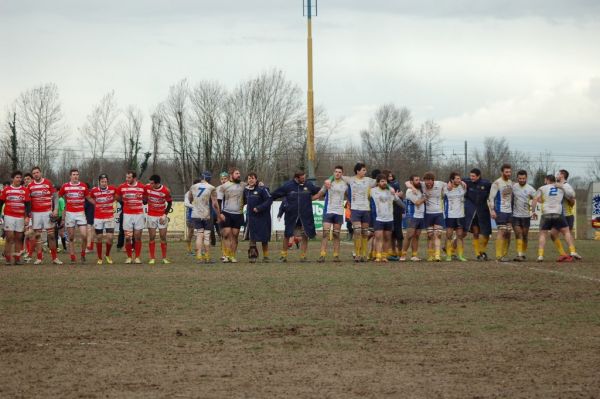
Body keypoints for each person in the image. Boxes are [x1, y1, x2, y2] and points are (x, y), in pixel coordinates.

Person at [271, 171, 320, 262]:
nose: (304, 180)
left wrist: (324, 189)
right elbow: (274, 194)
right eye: (302, 178)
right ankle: (283, 256)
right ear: (296, 178)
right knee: (287, 235)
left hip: (305, 215)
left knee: (305, 235)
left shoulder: (308, 185)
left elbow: (320, 191)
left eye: (305, 178)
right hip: (291, 216)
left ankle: (303, 256)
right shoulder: (288, 186)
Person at [532, 175, 581, 262]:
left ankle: (540, 255)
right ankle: (572, 251)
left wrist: (533, 211)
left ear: (547, 180)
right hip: (558, 213)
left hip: (546, 214)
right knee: (566, 232)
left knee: (543, 234)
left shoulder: (542, 188)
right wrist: (562, 186)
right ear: (554, 180)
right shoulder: (561, 188)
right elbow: (572, 196)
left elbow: (535, 199)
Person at [339, 163, 377, 262]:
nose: (365, 172)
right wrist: (328, 180)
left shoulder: (368, 180)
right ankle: (357, 254)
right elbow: (337, 175)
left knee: (365, 232)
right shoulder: (351, 179)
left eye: (365, 170)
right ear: (358, 171)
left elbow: (382, 181)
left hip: (366, 209)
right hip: (355, 209)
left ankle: (364, 254)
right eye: (363, 170)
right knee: (357, 231)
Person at [406, 172, 446, 262]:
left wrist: (462, 183)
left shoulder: (440, 184)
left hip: (439, 213)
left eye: (430, 181)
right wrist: (412, 187)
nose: (428, 183)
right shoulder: (422, 184)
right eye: (426, 181)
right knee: (430, 235)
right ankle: (430, 255)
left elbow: (451, 184)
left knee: (438, 234)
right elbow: (407, 183)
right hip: (427, 214)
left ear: (433, 181)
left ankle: (437, 255)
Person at [314, 166, 348, 263]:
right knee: (325, 233)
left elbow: (349, 195)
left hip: (339, 212)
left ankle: (336, 256)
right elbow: (320, 193)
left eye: (339, 172)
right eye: (336, 172)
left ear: (342, 173)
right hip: (328, 211)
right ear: (333, 173)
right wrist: (311, 198)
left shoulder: (345, 184)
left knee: (336, 234)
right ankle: (322, 255)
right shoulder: (328, 183)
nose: (337, 173)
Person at [28, 166, 61, 264]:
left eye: (37, 172)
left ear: (40, 173)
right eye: (34, 173)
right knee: (38, 236)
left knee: (51, 235)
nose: (35, 174)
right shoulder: (30, 186)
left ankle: (55, 258)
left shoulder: (48, 183)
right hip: (35, 214)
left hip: (47, 212)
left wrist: (55, 209)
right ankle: (39, 258)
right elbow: (27, 201)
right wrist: (27, 214)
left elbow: (55, 196)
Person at [56, 169, 89, 264]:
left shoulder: (83, 186)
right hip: (70, 214)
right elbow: (59, 196)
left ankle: (83, 254)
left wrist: (97, 205)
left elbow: (88, 197)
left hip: (80, 213)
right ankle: (72, 256)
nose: (75, 176)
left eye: (77, 174)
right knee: (71, 237)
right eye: (74, 174)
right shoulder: (65, 186)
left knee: (84, 235)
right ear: (70, 176)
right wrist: (60, 207)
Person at [370, 174, 403, 262]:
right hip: (379, 218)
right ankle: (378, 256)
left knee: (387, 238)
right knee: (378, 237)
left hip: (389, 219)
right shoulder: (373, 191)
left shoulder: (390, 192)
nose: (384, 183)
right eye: (382, 181)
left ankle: (384, 256)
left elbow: (399, 201)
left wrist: (405, 208)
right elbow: (370, 184)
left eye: (386, 181)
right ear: (378, 183)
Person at [115, 170, 146, 264]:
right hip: (127, 215)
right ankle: (129, 257)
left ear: (134, 178)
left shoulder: (142, 187)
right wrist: (122, 201)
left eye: (129, 177)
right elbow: (116, 196)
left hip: (139, 215)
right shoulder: (122, 187)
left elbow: (146, 198)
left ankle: (137, 257)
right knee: (128, 237)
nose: (127, 179)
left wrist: (143, 200)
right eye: (126, 177)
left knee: (137, 237)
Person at [0, 171, 31, 265]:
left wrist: (27, 217)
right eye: (17, 177)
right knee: (9, 237)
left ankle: (17, 258)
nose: (19, 179)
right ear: (12, 179)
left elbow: (28, 205)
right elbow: (0, 203)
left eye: (20, 177)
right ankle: (8, 258)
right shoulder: (6, 190)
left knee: (19, 237)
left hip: (20, 217)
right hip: (9, 216)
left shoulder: (25, 190)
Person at [189, 172, 220, 263]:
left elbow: (190, 199)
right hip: (206, 214)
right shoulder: (211, 188)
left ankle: (199, 257)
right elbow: (215, 203)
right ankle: (207, 257)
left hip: (196, 214)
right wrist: (219, 214)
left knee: (199, 235)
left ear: (202, 177)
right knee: (206, 236)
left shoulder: (193, 186)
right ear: (209, 179)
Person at [87, 174, 117, 265]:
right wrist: (95, 203)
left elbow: (117, 196)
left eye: (105, 182)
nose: (104, 183)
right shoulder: (94, 190)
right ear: (99, 182)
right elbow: (89, 197)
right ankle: (99, 258)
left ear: (108, 182)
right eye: (102, 182)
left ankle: (107, 255)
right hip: (98, 217)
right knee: (99, 237)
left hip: (109, 217)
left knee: (110, 238)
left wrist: (112, 201)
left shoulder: (112, 189)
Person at [243, 172, 273, 263]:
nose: (250, 180)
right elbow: (244, 201)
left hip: (263, 217)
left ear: (256, 179)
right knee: (252, 238)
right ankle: (253, 256)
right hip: (251, 218)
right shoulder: (246, 190)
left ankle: (266, 256)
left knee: (264, 238)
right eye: (249, 178)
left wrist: (259, 208)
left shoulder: (262, 189)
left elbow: (269, 200)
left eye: (252, 178)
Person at [464, 168, 492, 260]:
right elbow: (454, 180)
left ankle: (482, 250)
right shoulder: (466, 182)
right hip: (472, 212)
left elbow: (496, 188)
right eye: (470, 176)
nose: (471, 177)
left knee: (486, 233)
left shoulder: (486, 184)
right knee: (475, 232)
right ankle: (478, 254)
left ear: (478, 176)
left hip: (483, 211)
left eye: (473, 176)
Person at [552, 169, 581, 260]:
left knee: (567, 235)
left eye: (558, 174)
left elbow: (572, 197)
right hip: (558, 215)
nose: (556, 175)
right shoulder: (556, 185)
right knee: (553, 234)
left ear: (562, 175)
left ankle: (571, 254)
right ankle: (565, 254)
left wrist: (562, 188)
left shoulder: (566, 186)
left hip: (567, 215)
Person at [217, 168, 245, 263]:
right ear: (231, 175)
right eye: (237, 173)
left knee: (235, 235)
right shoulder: (224, 186)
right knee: (226, 234)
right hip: (226, 213)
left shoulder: (243, 185)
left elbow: (253, 186)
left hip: (238, 214)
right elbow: (219, 201)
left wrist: (260, 183)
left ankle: (232, 256)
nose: (239, 175)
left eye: (239, 173)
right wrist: (220, 213)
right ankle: (226, 255)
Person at [488, 164, 513, 262]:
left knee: (508, 232)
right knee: (502, 231)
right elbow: (491, 198)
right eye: (506, 172)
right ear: (502, 172)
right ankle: (498, 256)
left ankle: (504, 254)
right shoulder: (497, 183)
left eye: (510, 172)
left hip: (509, 210)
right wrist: (492, 210)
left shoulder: (510, 182)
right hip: (500, 210)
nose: (508, 174)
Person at [145, 175, 173, 264]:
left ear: (157, 183)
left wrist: (165, 215)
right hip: (151, 215)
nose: (150, 184)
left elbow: (169, 203)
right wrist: (144, 198)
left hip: (161, 216)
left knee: (163, 237)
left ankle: (164, 258)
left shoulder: (165, 190)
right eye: (150, 182)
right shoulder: (147, 187)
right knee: (152, 237)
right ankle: (152, 258)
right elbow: (144, 200)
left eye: (152, 183)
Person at [511, 170, 536, 261]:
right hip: (515, 215)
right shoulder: (513, 187)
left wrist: (533, 210)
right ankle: (519, 254)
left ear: (526, 178)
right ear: (517, 178)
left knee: (525, 235)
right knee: (518, 234)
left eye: (523, 178)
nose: (522, 180)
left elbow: (536, 199)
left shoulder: (531, 189)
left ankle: (523, 253)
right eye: (520, 178)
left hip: (526, 216)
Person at [400, 175, 425, 262]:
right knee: (409, 235)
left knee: (416, 236)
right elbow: (417, 203)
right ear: (411, 182)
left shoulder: (420, 189)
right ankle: (403, 255)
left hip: (421, 216)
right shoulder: (409, 191)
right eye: (416, 180)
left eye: (419, 179)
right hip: (412, 216)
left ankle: (414, 255)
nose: (419, 181)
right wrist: (425, 198)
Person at [443, 172, 468, 261]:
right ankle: (448, 255)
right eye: (457, 178)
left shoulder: (463, 186)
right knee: (449, 235)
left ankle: (460, 255)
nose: (459, 180)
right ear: (452, 180)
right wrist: (448, 183)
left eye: (459, 178)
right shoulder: (447, 188)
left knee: (460, 235)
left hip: (460, 215)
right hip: (450, 215)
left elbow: (466, 183)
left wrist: (462, 182)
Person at [385, 170, 404, 261]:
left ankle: (400, 253)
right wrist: (396, 195)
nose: (390, 178)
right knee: (390, 233)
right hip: (387, 211)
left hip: (396, 211)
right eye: (389, 176)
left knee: (398, 233)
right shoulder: (382, 186)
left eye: (391, 176)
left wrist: (397, 195)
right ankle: (393, 252)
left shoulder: (395, 184)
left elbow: (401, 197)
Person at [184, 179, 201, 255]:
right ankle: (189, 250)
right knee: (191, 232)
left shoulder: (201, 193)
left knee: (201, 232)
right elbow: (186, 203)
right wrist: (195, 207)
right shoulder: (188, 193)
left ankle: (199, 249)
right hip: (191, 215)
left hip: (200, 215)